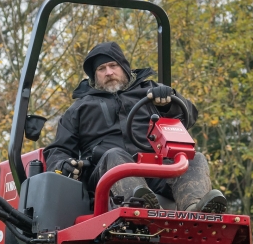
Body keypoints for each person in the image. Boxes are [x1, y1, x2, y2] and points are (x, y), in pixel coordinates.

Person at [43, 42, 227, 213]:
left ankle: (196, 209)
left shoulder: (150, 91)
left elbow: (189, 116)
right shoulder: (80, 108)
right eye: (101, 69)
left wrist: (167, 103)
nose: (108, 72)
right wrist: (62, 165)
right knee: (114, 154)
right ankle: (141, 206)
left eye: (113, 66)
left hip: (155, 168)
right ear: (94, 76)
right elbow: (58, 149)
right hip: (106, 175)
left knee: (193, 159)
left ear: (124, 67)